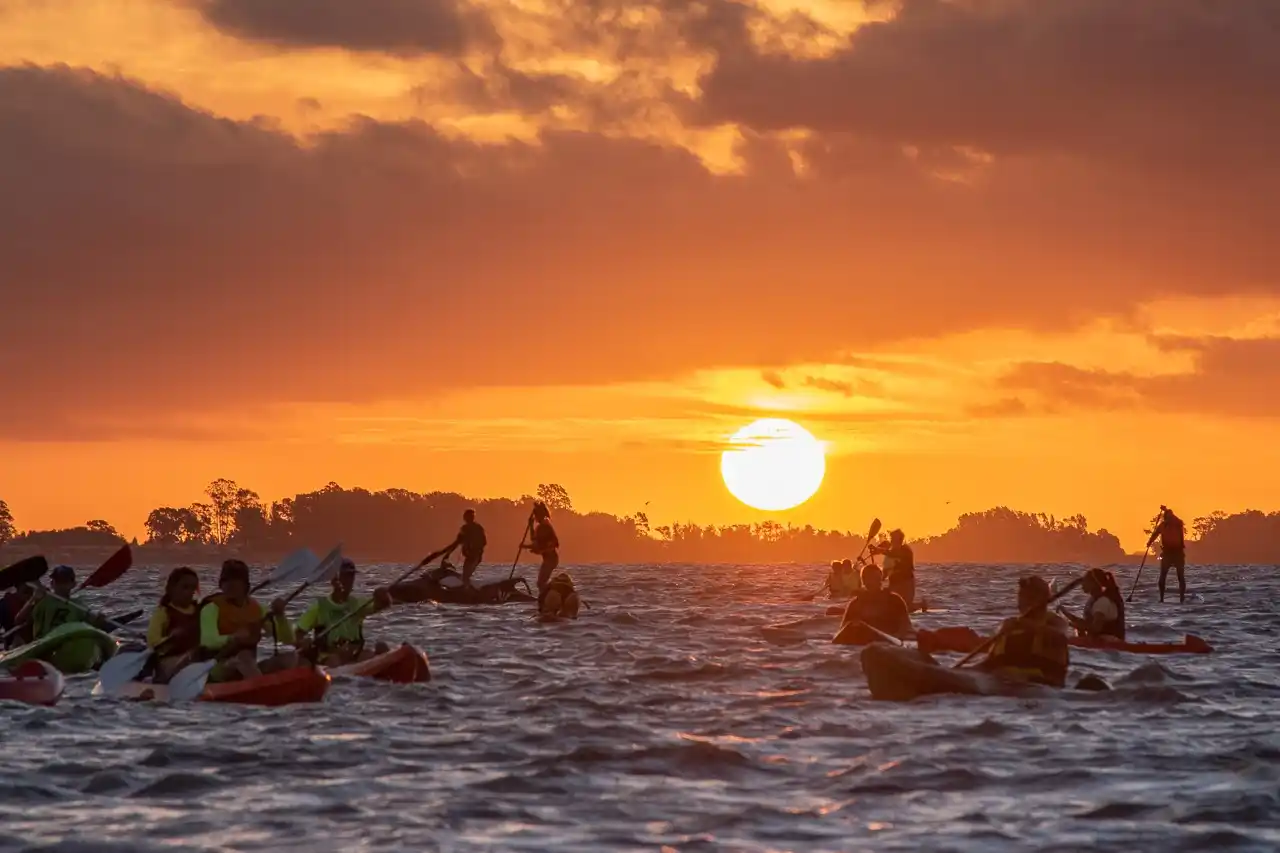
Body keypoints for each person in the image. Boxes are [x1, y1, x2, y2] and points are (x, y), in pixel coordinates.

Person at [198, 559, 295, 683]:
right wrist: (232, 638)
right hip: (217, 669)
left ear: (246, 585)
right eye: (226, 580)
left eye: (235, 580)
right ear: (221, 585)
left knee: (289, 658)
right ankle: (261, 691)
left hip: (248, 668)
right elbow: (206, 640)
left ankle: (269, 688)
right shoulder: (211, 608)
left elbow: (288, 639)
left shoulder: (257, 609)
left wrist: (281, 616)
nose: (230, 584)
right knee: (243, 658)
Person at [977, 575, 1071, 688]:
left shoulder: (1055, 622)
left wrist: (1027, 625)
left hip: (1043, 684)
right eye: (1021, 595)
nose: (1023, 600)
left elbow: (1061, 635)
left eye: (1030, 596)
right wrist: (960, 672)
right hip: (1004, 682)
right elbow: (987, 663)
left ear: (1043, 599)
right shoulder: (1008, 625)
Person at [295, 558, 391, 666]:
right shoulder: (319, 607)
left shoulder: (357, 604)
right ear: (334, 580)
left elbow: (381, 605)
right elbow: (297, 635)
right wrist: (302, 642)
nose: (348, 581)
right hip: (329, 658)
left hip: (353, 655)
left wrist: (384, 597)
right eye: (344, 576)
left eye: (351, 577)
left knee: (377, 649)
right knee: (334, 660)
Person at [13, 565, 114, 638]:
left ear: (73, 584)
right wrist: (33, 599)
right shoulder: (42, 601)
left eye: (65, 582)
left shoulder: (77, 605)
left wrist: (99, 620)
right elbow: (18, 620)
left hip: (67, 643)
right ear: (52, 584)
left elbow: (91, 625)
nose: (61, 586)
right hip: (42, 644)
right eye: (58, 582)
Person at [145, 567, 203, 683]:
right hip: (168, 662)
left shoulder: (200, 610)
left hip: (196, 659)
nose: (190, 592)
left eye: (193, 588)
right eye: (185, 587)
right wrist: (170, 639)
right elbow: (153, 642)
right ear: (171, 588)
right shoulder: (163, 613)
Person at [838, 562, 913, 639]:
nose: (870, 581)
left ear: (880, 579)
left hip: (890, 640)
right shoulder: (855, 604)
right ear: (863, 581)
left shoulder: (894, 600)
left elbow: (906, 626)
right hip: (865, 641)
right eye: (866, 578)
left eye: (873, 578)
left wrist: (898, 636)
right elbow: (843, 629)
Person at [1060, 568, 1125, 640]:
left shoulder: (1102, 602)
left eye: (1085, 581)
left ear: (1094, 583)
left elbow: (1096, 628)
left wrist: (1074, 625)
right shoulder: (1093, 601)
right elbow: (1087, 623)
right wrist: (1065, 613)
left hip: (1107, 641)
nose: (1082, 583)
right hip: (1097, 641)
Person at [524, 502, 560, 607]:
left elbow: (553, 544)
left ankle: (550, 598)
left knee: (540, 583)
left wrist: (539, 550)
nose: (535, 518)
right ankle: (547, 599)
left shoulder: (545, 526)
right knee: (540, 583)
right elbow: (535, 541)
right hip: (548, 559)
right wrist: (530, 526)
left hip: (551, 559)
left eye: (536, 516)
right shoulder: (540, 527)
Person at [870, 529, 916, 608]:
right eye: (892, 539)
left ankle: (920, 605)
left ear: (900, 539)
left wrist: (880, 550)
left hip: (906, 584)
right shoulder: (889, 556)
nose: (892, 541)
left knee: (904, 605)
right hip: (894, 585)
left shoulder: (906, 550)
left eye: (893, 539)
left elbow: (895, 554)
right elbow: (883, 575)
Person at [442, 509, 487, 588]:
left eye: (469, 516)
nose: (466, 518)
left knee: (466, 576)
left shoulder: (476, 528)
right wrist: (447, 554)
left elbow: (483, 542)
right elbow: (457, 542)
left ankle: (467, 592)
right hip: (471, 556)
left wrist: (474, 549)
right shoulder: (465, 528)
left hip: (475, 556)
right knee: (465, 576)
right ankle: (466, 588)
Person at [1152, 506, 1187, 603]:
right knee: (1163, 576)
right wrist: (1149, 542)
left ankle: (1181, 599)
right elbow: (1155, 534)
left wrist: (1166, 510)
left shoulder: (1177, 524)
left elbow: (1178, 520)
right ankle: (1162, 598)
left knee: (1180, 576)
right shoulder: (1164, 525)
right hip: (1168, 553)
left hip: (1177, 553)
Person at [0, 582, 36, 647]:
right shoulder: (5, 604)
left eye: (32, 592)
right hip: (13, 646)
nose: (29, 596)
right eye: (26, 592)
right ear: (17, 589)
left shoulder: (40, 601)